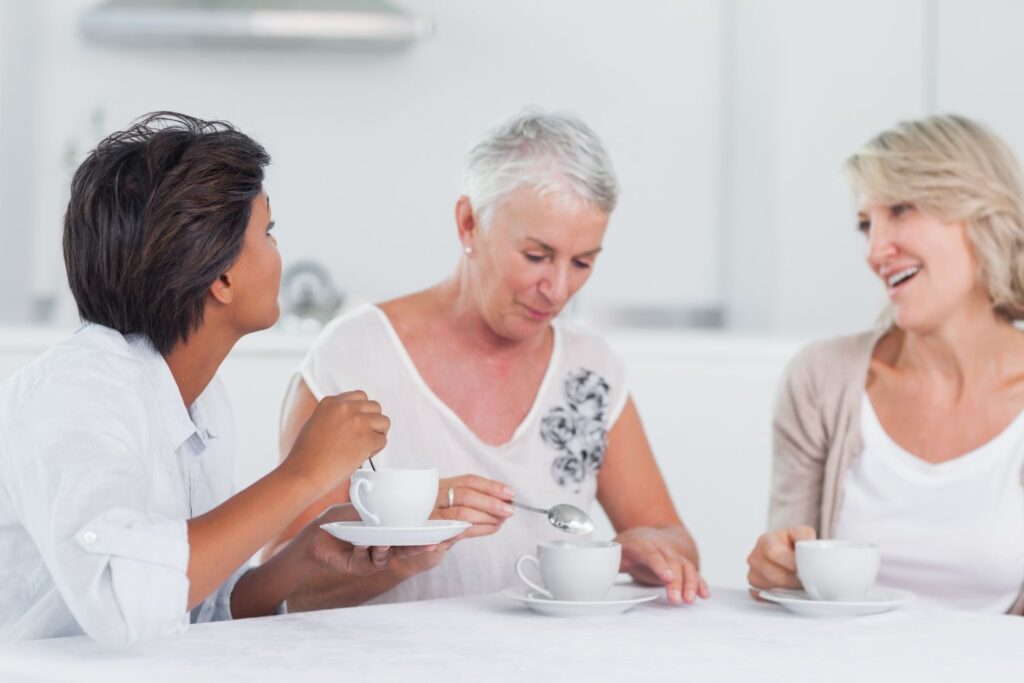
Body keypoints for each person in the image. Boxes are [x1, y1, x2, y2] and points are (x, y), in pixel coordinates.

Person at [0, 112, 434, 643]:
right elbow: (123, 599)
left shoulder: (202, 402)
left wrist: (308, 551)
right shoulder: (74, 393)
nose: (278, 250)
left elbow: (199, 608)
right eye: (267, 232)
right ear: (222, 276)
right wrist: (302, 474)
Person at [268, 109, 709, 608]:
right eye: (536, 256)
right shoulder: (353, 358)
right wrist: (408, 548)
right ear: (469, 223)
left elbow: (671, 535)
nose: (558, 289)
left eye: (583, 262)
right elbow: (282, 590)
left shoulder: (590, 371)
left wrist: (652, 551)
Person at [747, 114, 1024, 614]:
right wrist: (777, 569)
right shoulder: (822, 380)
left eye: (900, 209)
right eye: (865, 225)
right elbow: (786, 584)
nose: (875, 251)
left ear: (982, 213)